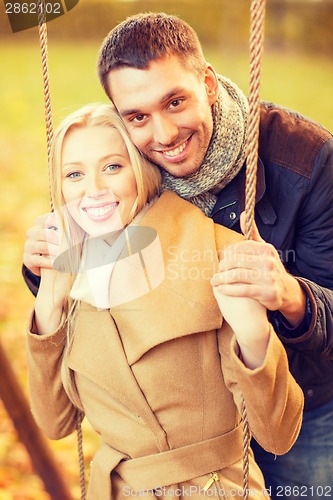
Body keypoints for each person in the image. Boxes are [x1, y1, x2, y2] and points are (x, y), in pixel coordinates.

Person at [22, 12, 333, 498]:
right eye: (139, 116)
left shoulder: (304, 161)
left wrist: (285, 296)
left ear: (207, 83)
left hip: (305, 390)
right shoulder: (128, 168)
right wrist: (44, 278)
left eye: (175, 101)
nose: (163, 135)